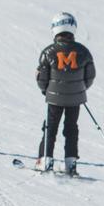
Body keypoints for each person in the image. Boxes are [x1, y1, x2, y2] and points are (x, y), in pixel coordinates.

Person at [35, 12, 96, 176]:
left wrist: (46, 90)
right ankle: (71, 162)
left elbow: (42, 77)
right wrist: (79, 89)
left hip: (54, 98)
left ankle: (45, 159)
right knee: (71, 128)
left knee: (50, 127)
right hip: (75, 99)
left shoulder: (49, 52)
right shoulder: (83, 51)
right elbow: (90, 75)